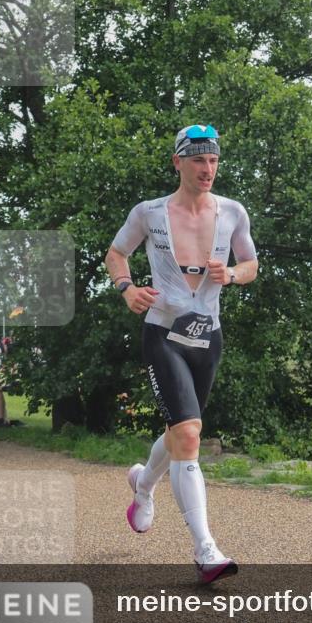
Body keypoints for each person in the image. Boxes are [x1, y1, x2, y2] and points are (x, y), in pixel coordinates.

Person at [104, 124, 258, 585]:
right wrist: (126, 288)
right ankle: (205, 550)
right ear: (178, 162)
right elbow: (116, 254)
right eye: (197, 160)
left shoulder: (232, 212)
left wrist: (231, 275)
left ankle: (143, 484)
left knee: (180, 432)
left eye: (212, 160)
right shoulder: (150, 213)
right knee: (189, 434)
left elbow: (251, 265)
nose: (207, 169)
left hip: (207, 338)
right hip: (164, 334)